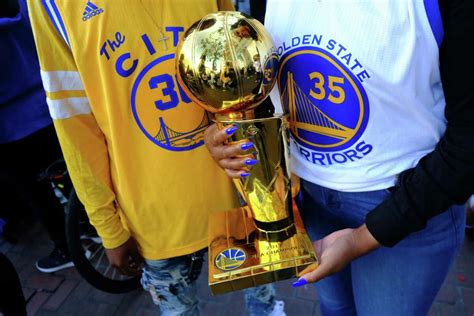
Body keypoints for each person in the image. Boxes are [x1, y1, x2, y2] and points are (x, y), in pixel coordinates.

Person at [204, 0, 474, 315]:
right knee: (334, 308)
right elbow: (267, 82)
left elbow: (468, 141)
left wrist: (364, 238)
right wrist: (231, 126)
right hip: (309, 202)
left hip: (410, 207)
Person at [27, 1, 284, 315]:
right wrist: (107, 226)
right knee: (180, 311)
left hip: (237, 189)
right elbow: (74, 122)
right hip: (153, 215)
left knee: (264, 303)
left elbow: (241, 57)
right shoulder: (49, 5)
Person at [0, 0, 74, 273]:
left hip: (11, 126)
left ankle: (66, 246)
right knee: (67, 171)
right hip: (47, 99)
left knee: (37, 192)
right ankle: (88, 226)